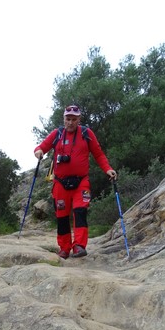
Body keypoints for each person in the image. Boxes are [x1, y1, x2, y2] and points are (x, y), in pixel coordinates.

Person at [34, 105, 117, 259]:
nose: (70, 122)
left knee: (80, 212)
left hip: (81, 182)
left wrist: (108, 169)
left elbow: (98, 154)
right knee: (62, 216)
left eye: (74, 119)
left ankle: (79, 246)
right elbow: (41, 147)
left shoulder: (86, 133)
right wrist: (38, 152)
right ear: (63, 119)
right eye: (68, 119)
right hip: (60, 183)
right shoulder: (57, 134)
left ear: (79, 120)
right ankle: (64, 248)